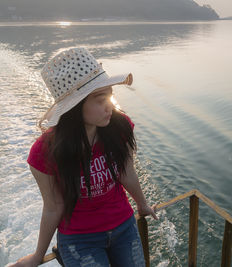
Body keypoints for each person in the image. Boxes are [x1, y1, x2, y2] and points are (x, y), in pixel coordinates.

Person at [10, 47, 158, 267]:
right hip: (79, 239)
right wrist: (37, 256)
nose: (110, 105)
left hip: (124, 226)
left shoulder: (119, 127)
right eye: (100, 99)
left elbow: (126, 171)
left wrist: (143, 205)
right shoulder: (44, 151)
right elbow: (53, 206)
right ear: (74, 107)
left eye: (110, 95)